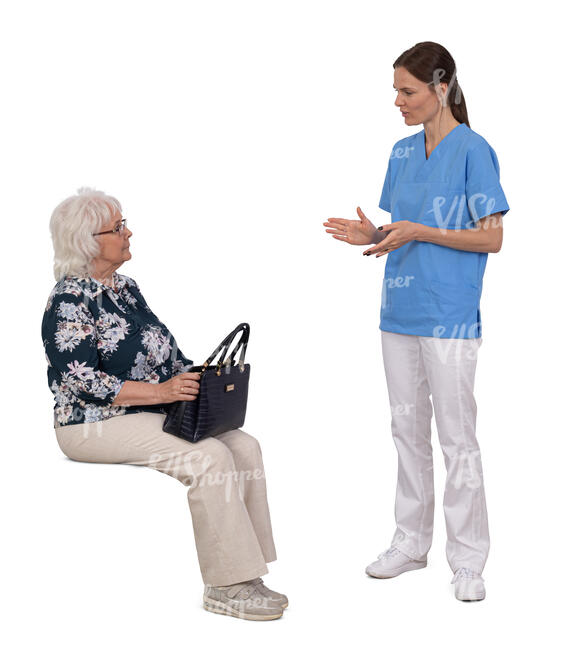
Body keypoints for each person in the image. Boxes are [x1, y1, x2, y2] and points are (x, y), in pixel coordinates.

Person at [42, 187, 287, 620]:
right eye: (118, 227)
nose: (128, 232)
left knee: (244, 445)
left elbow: (165, 357)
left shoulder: (126, 288)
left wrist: (202, 376)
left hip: (145, 412)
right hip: (89, 423)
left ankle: (249, 571)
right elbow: (79, 378)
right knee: (209, 456)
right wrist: (161, 393)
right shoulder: (69, 299)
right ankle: (226, 585)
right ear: (87, 240)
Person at [323, 42, 510, 602]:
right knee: (406, 431)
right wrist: (372, 235)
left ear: (442, 87)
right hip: (398, 314)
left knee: (457, 438)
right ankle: (410, 542)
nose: (398, 102)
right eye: (396, 92)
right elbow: (397, 227)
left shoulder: (475, 150)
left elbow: (493, 238)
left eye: (408, 91)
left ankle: (469, 560)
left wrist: (422, 232)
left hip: (449, 316)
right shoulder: (402, 152)